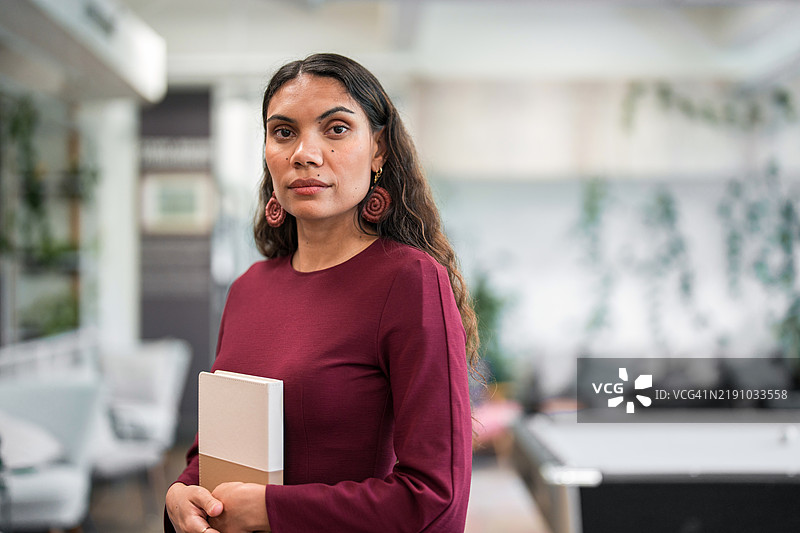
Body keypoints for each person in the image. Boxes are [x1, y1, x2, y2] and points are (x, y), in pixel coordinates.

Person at [165, 53, 479, 533]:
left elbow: (437, 499)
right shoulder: (248, 289)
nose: (304, 154)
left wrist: (273, 511)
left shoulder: (410, 281)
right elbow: (217, 449)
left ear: (378, 151)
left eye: (335, 129)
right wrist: (183, 493)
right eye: (284, 132)